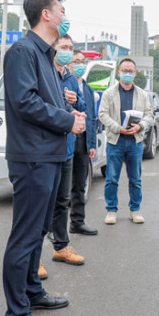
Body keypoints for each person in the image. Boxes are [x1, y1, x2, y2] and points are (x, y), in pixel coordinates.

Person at [2, 0, 85, 316]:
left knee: (38, 231)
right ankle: (17, 310)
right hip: (32, 157)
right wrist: (67, 120)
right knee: (24, 236)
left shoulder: (46, 56)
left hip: (49, 155)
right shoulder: (23, 52)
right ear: (46, 16)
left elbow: (48, 103)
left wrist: (71, 114)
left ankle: (32, 292)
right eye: (62, 10)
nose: (65, 16)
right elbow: (25, 103)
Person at [47, 35, 88, 266]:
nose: (68, 52)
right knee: (42, 203)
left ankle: (61, 246)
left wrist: (73, 101)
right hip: (47, 148)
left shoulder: (71, 78)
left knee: (63, 200)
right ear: (52, 49)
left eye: (70, 48)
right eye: (64, 47)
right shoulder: (46, 74)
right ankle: (33, 258)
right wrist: (63, 104)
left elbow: (82, 106)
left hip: (67, 149)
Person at [98, 58, 153, 225]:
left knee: (135, 178)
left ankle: (135, 210)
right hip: (116, 140)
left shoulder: (142, 94)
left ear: (135, 73)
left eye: (130, 71)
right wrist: (117, 128)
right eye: (125, 70)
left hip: (135, 141)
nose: (127, 73)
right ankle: (111, 210)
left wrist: (140, 126)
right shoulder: (109, 93)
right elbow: (103, 114)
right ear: (118, 71)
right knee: (112, 178)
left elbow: (149, 115)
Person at [68, 50, 99, 235]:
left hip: (83, 141)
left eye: (82, 61)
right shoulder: (61, 85)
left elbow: (92, 119)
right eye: (75, 61)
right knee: (61, 186)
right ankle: (53, 227)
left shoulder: (88, 89)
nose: (79, 65)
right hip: (66, 140)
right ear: (68, 64)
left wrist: (92, 143)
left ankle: (77, 222)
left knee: (80, 184)